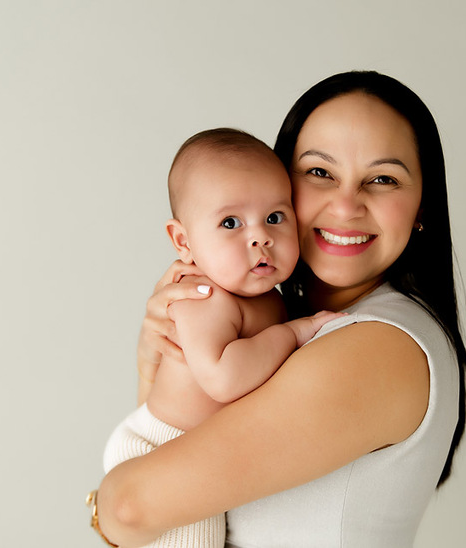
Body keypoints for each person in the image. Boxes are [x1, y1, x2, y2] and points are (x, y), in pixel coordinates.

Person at [91, 71, 466, 548]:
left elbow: (132, 507)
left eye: (383, 179)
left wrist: (102, 510)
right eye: (320, 173)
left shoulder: (378, 347)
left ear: (422, 209)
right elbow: (168, 462)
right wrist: (156, 361)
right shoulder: (273, 318)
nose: (346, 206)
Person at [99, 128, 343, 548]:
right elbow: (224, 379)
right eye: (231, 222)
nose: (260, 236)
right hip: (161, 447)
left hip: (192, 450)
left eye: (275, 217)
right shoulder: (203, 295)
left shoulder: (268, 296)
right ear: (183, 241)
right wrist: (294, 332)